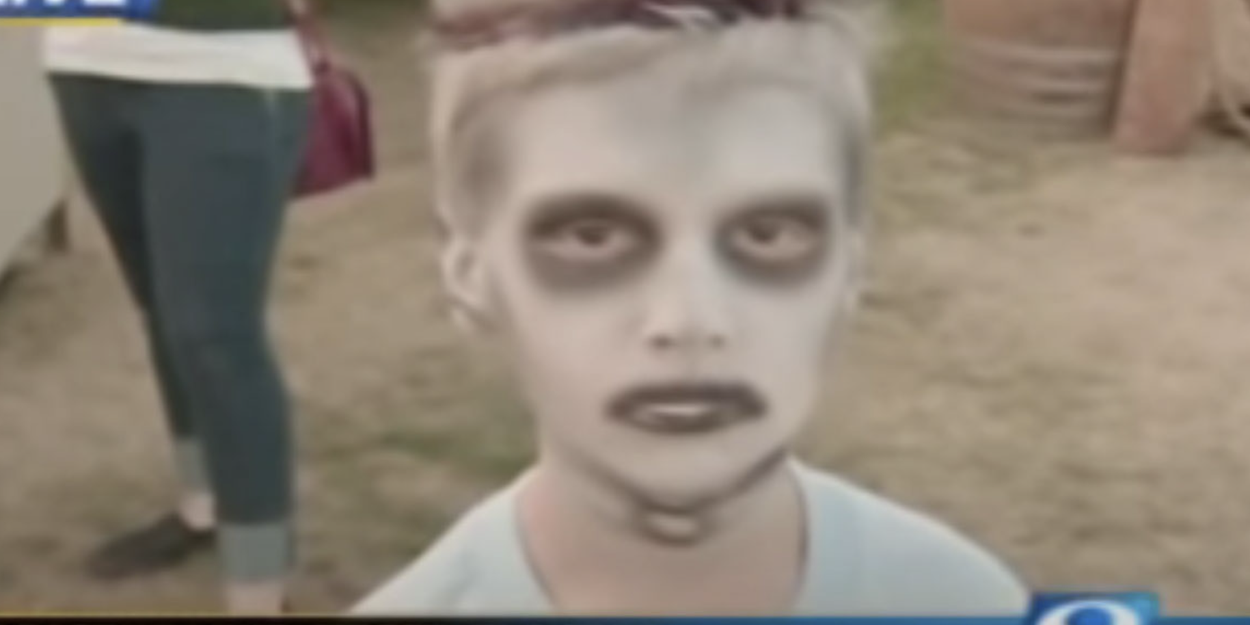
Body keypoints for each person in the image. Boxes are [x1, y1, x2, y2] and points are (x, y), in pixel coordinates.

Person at [355, 0, 1029, 616]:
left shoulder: (976, 603)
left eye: (768, 234)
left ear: (850, 267)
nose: (689, 321)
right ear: (469, 273)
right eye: (593, 237)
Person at [44, 0, 310, 614]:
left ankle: (259, 595)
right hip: (82, 58)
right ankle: (202, 508)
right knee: (163, 311)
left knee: (215, 333)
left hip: (220, 66)